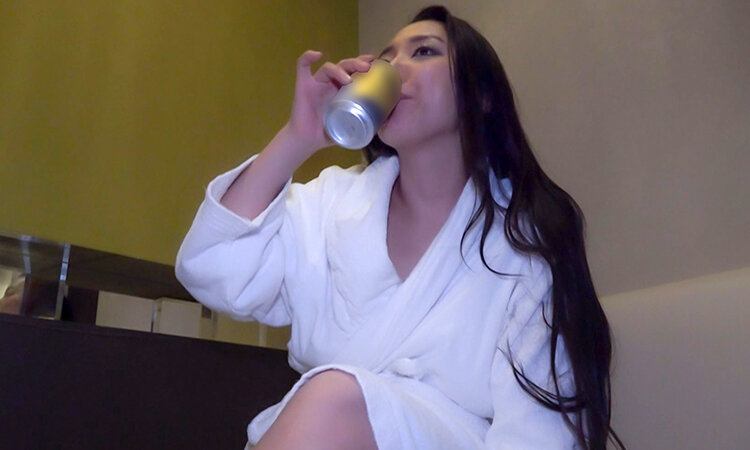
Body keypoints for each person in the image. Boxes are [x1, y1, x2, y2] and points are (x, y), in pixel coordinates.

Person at [176, 5, 624, 450]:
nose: (392, 68)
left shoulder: (523, 241)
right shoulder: (334, 203)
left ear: (482, 95)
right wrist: (297, 137)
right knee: (331, 398)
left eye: (424, 52)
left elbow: (538, 433)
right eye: (385, 59)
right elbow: (212, 269)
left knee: (333, 396)